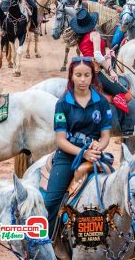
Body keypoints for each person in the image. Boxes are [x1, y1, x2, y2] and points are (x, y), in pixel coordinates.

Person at [44, 57, 112, 238]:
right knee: (50, 203)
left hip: (95, 155)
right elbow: (61, 140)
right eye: (78, 75)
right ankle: (46, 245)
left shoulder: (102, 102)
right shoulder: (63, 103)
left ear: (92, 77)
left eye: (86, 75)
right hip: (68, 157)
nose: (82, 80)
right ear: (71, 77)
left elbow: (105, 136)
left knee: (120, 191)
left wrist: (98, 146)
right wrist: (84, 153)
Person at [70, 8, 131, 117]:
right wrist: (111, 70)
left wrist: (107, 55)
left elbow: (90, 56)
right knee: (122, 93)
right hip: (95, 72)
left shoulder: (81, 38)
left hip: (86, 69)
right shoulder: (95, 34)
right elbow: (97, 56)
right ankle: (127, 129)